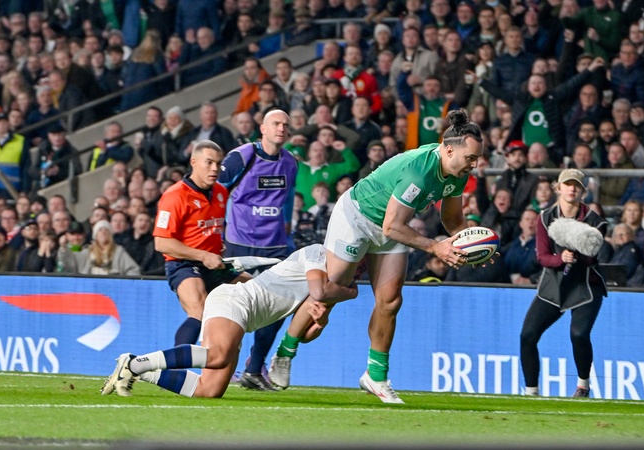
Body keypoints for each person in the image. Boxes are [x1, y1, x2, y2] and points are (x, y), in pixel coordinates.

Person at [304, 110, 483, 404]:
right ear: (450, 150)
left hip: (391, 226)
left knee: (390, 301)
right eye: (471, 157)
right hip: (358, 216)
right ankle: (284, 350)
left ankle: (375, 376)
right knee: (328, 292)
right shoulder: (419, 171)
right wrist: (435, 247)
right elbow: (392, 226)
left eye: (476, 158)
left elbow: (452, 220)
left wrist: (473, 246)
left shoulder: (458, 171)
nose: (474, 164)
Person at [100, 243, 358, 398]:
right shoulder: (318, 253)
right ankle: (135, 364)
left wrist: (320, 322)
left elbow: (304, 333)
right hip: (235, 299)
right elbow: (317, 292)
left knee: (208, 390)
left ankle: (137, 368)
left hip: (244, 318)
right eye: (358, 261)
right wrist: (351, 293)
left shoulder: (332, 286)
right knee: (218, 355)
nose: (358, 268)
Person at [217, 109, 298, 391]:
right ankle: (222, 364)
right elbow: (217, 192)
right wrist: (216, 233)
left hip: (274, 246)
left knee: (278, 307)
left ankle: (254, 368)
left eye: (285, 125)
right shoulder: (241, 157)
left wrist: (287, 230)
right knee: (232, 307)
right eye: (275, 123)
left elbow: (288, 198)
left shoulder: (290, 162)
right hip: (238, 243)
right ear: (262, 128)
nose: (281, 128)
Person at [520, 169, 608, 400]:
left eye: (576, 185)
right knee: (527, 335)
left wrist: (575, 252)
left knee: (579, 334)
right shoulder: (545, 217)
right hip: (555, 283)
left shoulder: (596, 221)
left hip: (586, 284)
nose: (572, 189)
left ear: (583, 191)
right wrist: (561, 259)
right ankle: (531, 393)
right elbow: (542, 257)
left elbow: (591, 257)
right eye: (567, 184)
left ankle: (583, 386)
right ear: (558, 188)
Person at [153, 140, 250, 348]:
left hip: (215, 263)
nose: (215, 168)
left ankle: (252, 359)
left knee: (256, 291)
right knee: (200, 311)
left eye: (218, 163)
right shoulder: (174, 196)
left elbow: (211, 227)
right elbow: (161, 243)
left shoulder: (221, 192)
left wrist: (216, 246)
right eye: (209, 162)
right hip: (184, 264)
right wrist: (203, 255)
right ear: (194, 162)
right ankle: (176, 363)